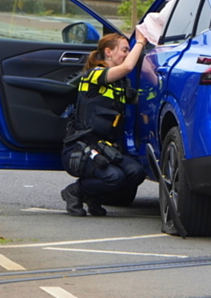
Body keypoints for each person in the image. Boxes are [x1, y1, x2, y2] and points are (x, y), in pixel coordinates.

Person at [60, 31, 148, 216]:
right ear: (109, 52)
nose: (127, 54)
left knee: (136, 172)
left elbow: (142, 100)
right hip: (82, 147)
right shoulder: (94, 75)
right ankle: (75, 191)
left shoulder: (119, 84)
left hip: (106, 148)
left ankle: (93, 196)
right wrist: (141, 41)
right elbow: (127, 67)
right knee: (114, 178)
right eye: (124, 49)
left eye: (129, 50)